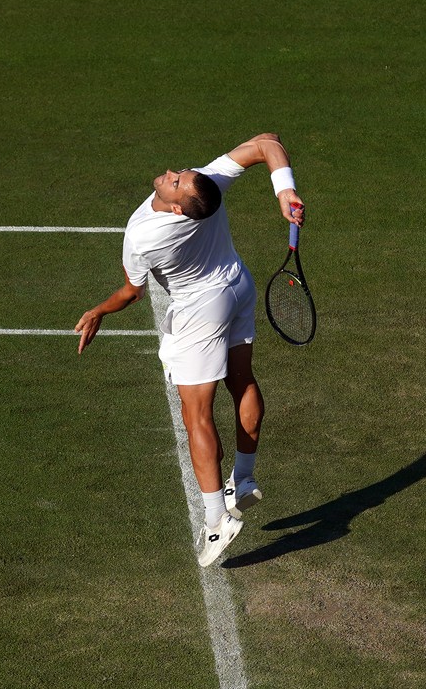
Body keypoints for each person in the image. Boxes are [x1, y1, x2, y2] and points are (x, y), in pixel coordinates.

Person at [75, 132, 305, 567]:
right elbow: (267, 143)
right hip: (237, 286)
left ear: (179, 208)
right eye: (178, 175)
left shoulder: (144, 236)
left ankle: (216, 519)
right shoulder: (206, 184)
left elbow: (132, 292)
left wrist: (99, 310)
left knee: (196, 414)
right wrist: (285, 190)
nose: (171, 173)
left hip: (201, 310)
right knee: (242, 380)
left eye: (176, 181)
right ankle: (244, 477)